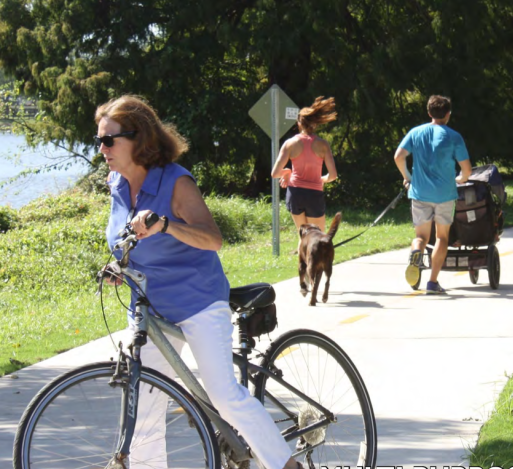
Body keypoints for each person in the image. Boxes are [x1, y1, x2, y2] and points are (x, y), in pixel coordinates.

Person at [96, 95, 299, 469]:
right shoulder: (117, 184)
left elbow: (212, 239)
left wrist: (166, 224)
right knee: (143, 409)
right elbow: (126, 237)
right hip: (151, 310)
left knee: (223, 396)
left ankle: (287, 465)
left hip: (198, 303)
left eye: (110, 140)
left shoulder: (175, 181)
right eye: (99, 141)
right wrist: (117, 265)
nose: (102, 148)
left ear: (138, 138)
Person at [393, 94, 472, 295]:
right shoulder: (454, 136)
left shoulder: (416, 132)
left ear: (429, 112)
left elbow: (398, 156)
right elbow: (467, 170)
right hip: (445, 194)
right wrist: (461, 179)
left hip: (419, 193)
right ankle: (432, 282)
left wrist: (408, 176)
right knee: (442, 238)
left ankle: (416, 253)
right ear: (448, 114)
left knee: (420, 236)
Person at [270, 96, 339, 233]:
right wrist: (322, 179)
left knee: (303, 237)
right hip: (314, 193)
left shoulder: (290, 143)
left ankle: (302, 255)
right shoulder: (323, 145)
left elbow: (275, 173)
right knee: (317, 237)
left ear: (299, 123)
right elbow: (333, 175)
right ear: (314, 124)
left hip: (295, 193)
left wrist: (288, 171)